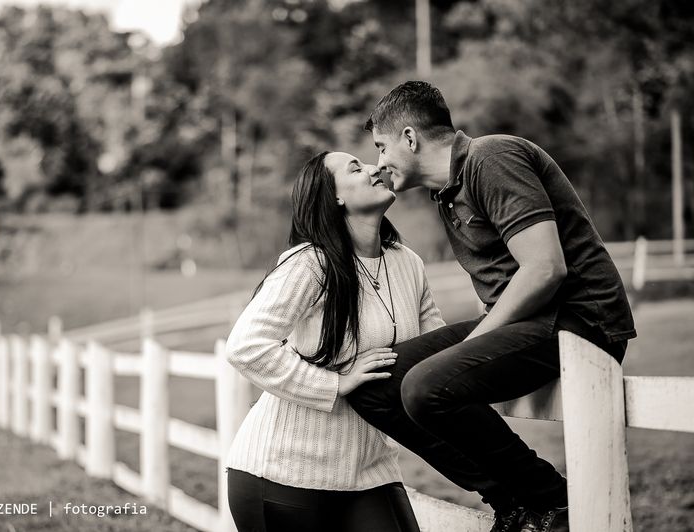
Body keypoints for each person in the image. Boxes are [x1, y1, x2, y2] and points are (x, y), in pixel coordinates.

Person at [346, 81, 636, 532]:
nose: (379, 162)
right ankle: (513, 503)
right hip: (530, 322)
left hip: (580, 321)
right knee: (375, 385)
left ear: (409, 137)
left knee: (426, 385)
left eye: (381, 146)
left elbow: (545, 269)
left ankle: (553, 501)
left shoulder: (490, 157)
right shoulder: (447, 192)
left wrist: (474, 343)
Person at [224, 151, 446, 532]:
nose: (375, 167)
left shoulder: (408, 263)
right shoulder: (310, 264)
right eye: (355, 168)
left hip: (369, 469)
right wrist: (336, 383)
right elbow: (247, 346)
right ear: (334, 197)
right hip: (282, 471)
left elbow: (437, 346)